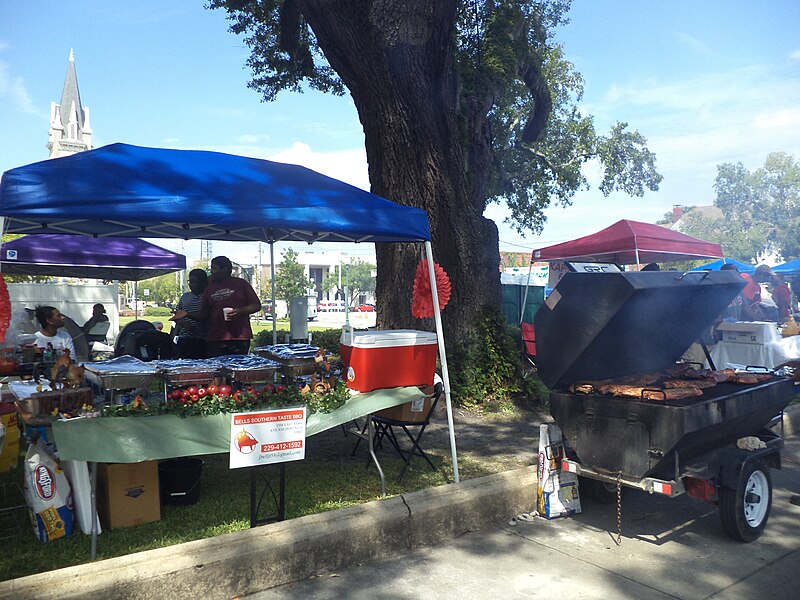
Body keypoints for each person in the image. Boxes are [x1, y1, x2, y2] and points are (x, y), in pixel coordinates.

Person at [171, 256, 261, 357]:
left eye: (214, 268)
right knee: (217, 370)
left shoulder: (241, 283)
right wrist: (187, 314)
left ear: (225, 269)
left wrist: (240, 311)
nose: (212, 271)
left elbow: (256, 305)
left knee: (238, 367)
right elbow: (204, 314)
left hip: (239, 336)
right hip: (215, 337)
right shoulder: (209, 288)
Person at [171, 268, 209, 359]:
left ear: (203, 283)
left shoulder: (207, 296)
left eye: (194, 282)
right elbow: (177, 315)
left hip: (202, 340)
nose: (191, 284)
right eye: (190, 281)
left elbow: (206, 315)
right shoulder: (185, 297)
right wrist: (182, 322)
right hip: (185, 339)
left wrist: (188, 314)